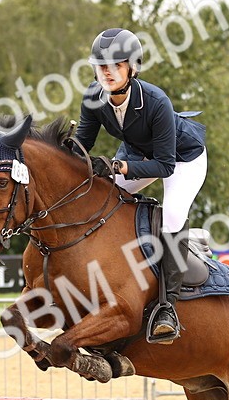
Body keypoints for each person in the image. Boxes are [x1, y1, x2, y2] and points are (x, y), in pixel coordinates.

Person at [73, 27, 207, 344]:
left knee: (172, 215)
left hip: (182, 158)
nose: (106, 72)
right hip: (138, 153)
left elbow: (164, 166)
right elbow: (82, 146)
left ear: (132, 68)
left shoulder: (156, 101)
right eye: (101, 66)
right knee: (102, 195)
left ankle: (167, 308)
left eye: (115, 65)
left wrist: (119, 166)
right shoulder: (94, 96)